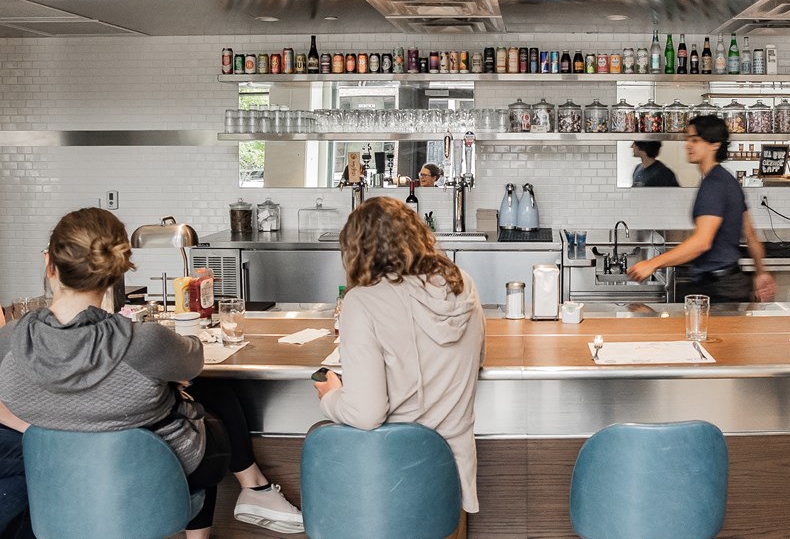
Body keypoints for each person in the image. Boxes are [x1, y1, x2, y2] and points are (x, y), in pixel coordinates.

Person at [0, 208, 303, 538]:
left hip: (59, 484)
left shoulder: (10, 341)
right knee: (206, 408)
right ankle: (252, 490)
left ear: (49, 264)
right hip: (157, 476)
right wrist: (165, 374)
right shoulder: (144, 342)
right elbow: (195, 360)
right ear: (116, 270)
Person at [313, 197, 486, 536]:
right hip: (453, 477)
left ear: (356, 249)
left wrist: (331, 396)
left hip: (390, 480)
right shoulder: (462, 283)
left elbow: (366, 414)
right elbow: (478, 358)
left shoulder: (361, 301)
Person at [627, 116, 776, 303]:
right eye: (688, 139)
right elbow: (751, 234)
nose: (687, 145)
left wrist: (652, 264)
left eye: (695, 140)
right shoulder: (727, 180)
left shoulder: (713, 185)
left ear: (715, 144)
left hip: (717, 289)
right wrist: (761, 272)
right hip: (732, 284)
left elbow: (701, 242)